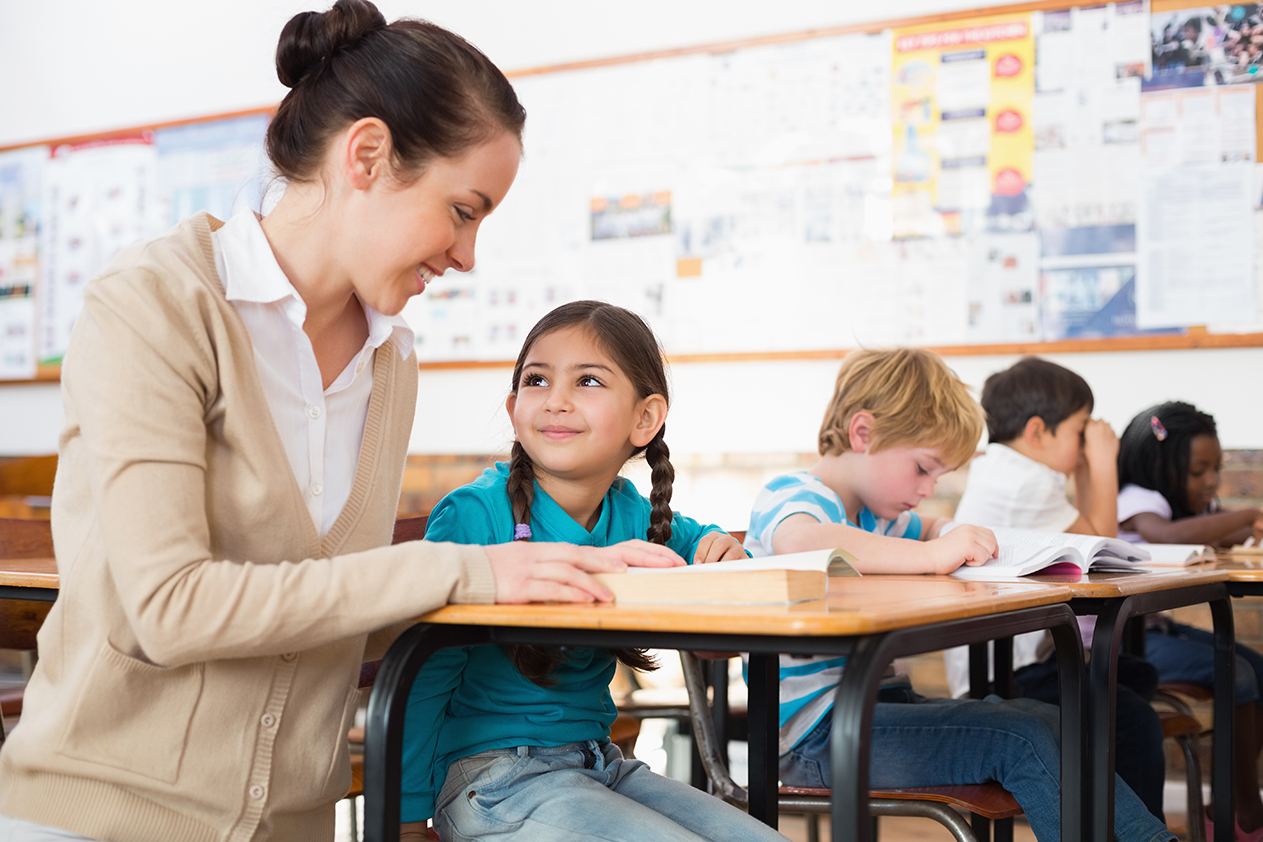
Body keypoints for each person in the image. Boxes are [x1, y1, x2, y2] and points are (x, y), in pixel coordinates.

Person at [0, 6, 682, 841]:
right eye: (463, 210)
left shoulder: (390, 360)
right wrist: (467, 570)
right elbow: (168, 609)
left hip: (298, 823)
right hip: (103, 818)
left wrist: (564, 573)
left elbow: (335, 605)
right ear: (366, 155)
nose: (468, 254)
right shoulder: (155, 306)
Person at [744, 347, 1174, 842]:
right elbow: (803, 541)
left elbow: (927, 525)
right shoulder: (796, 494)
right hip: (815, 737)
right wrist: (932, 554)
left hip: (874, 707)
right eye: (923, 469)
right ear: (863, 434)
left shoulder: (879, 515)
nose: (928, 488)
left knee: (1048, 719)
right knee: (1020, 739)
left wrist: (952, 530)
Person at [397, 300, 788, 842]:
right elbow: (420, 673)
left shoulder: (631, 513)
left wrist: (723, 548)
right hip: (491, 780)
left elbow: (701, 541)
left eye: (587, 381)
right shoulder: (474, 515)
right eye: (537, 380)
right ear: (514, 408)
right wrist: (406, 818)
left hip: (600, 765)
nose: (556, 400)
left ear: (645, 419)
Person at [942, 356, 1167, 822]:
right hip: (1003, 671)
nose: (1086, 441)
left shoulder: (1013, 471)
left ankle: (1104, 815)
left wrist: (1086, 467)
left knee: (1135, 676)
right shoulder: (1024, 483)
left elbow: (1088, 540)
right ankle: (1118, 827)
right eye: (1080, 429)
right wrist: (1104, 462)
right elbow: (1104, 555)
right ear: (1039, 432)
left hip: (1014, 657)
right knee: (1133, 720)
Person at [1118, 401, 1263, 842]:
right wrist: (1248, 516)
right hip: (1123, 638)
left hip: (1153, 627)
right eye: (1199, 471)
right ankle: (1246, 812)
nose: (1211, 481)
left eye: (1215, 469)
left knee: (1255, 666)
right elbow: (1161, 536)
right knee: (1236, 673)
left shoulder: (1173, 504)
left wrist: (1233, 529)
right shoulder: (1136, 498)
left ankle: (1226, 808)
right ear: (1161, 467)